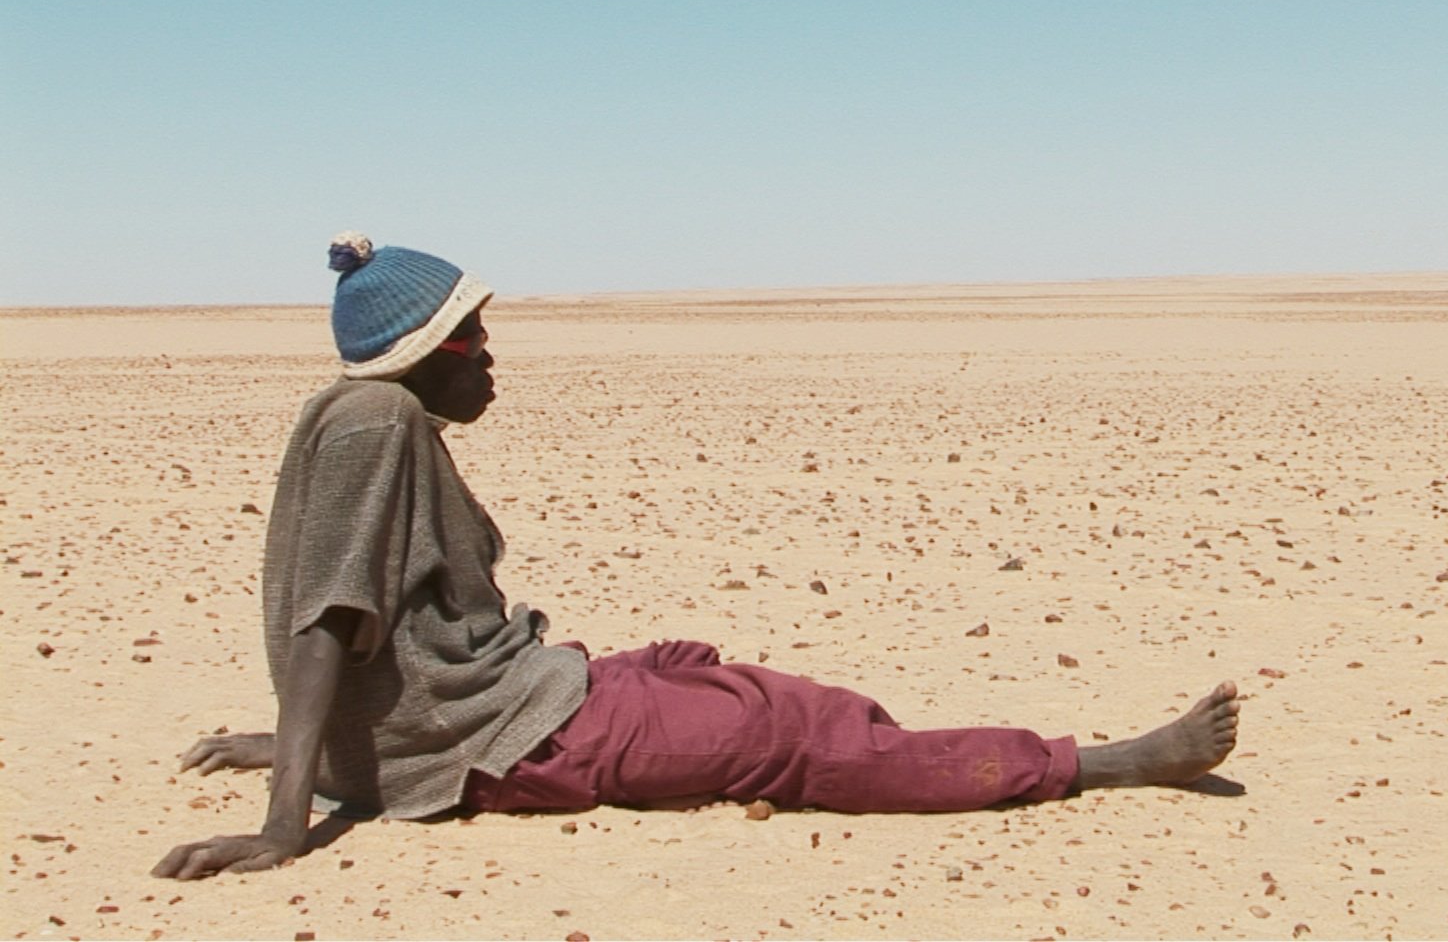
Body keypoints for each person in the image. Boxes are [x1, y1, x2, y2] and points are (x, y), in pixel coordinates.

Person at [151, 234, 1241, 881]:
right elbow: (328, 619)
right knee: (780, 733)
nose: (492, 360)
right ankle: (1097, 764)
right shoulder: (375, 426)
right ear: (427, 352)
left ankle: (888, 738)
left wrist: (317, 746)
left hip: (500, 701)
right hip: (503, 741)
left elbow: (351, 621)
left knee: (705, 670)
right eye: (474, 338)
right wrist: (285, 822)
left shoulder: (359, 418)